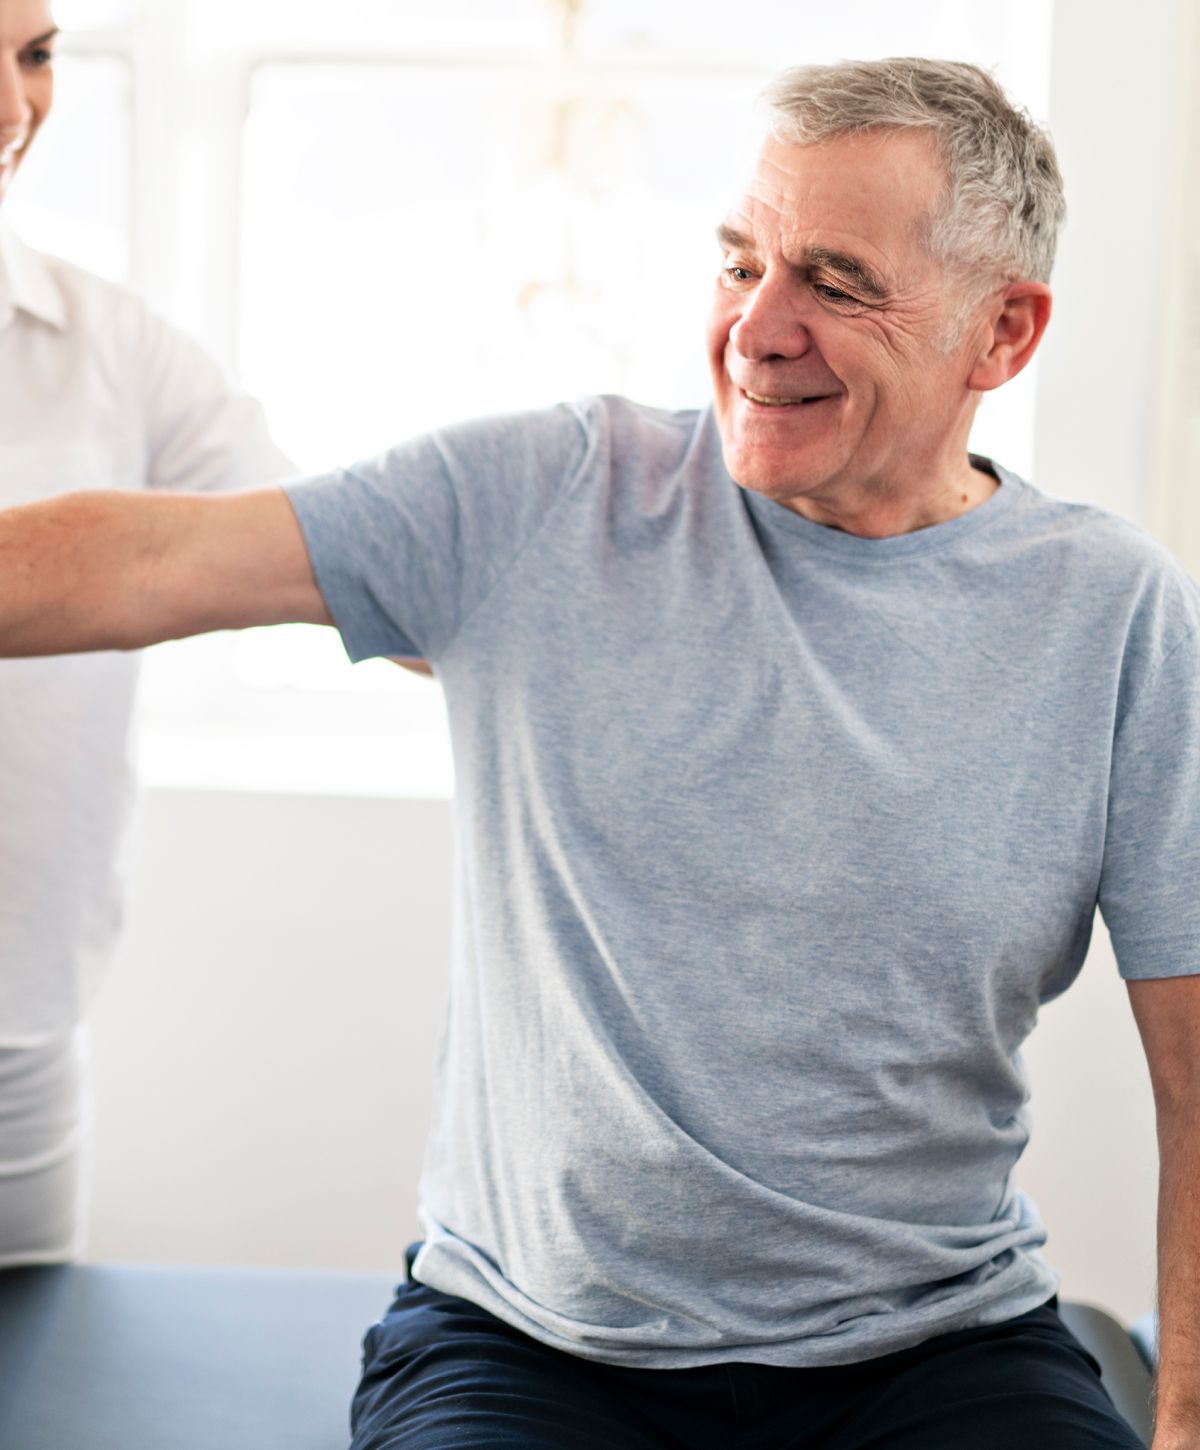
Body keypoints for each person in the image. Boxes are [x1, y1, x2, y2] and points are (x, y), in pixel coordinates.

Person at [1, 55, 1197, 1450]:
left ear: (1003, 334)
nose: (759, 327)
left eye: (835, 279)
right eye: (739, 261)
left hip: (937, 1343)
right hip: (529, 1347)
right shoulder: (552, 499)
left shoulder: (1109, 612)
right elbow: (143, 560)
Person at [0, 0, 293, 1265]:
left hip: (19, 1032)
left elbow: (349, 551)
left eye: (35, 53)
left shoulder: (111, 346)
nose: (16, 110)